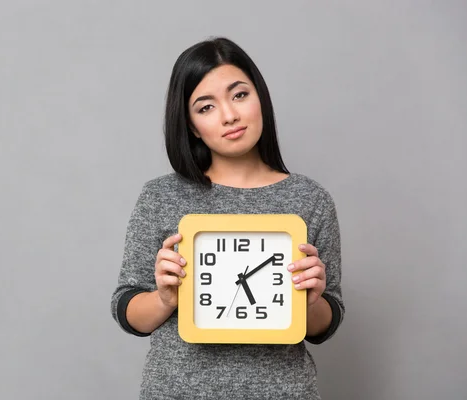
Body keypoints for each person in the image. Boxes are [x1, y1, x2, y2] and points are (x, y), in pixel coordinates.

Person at [110, 37, 344, 399]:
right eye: (206, 107)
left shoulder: (310, 199)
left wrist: (312, 301)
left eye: (239, 95)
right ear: (190, 124)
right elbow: (127, 306)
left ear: (260, 98)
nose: (229, 115)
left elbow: (324, 324)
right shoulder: (161, 197)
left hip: (282, 392)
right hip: (178, 392)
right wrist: (164, 299)